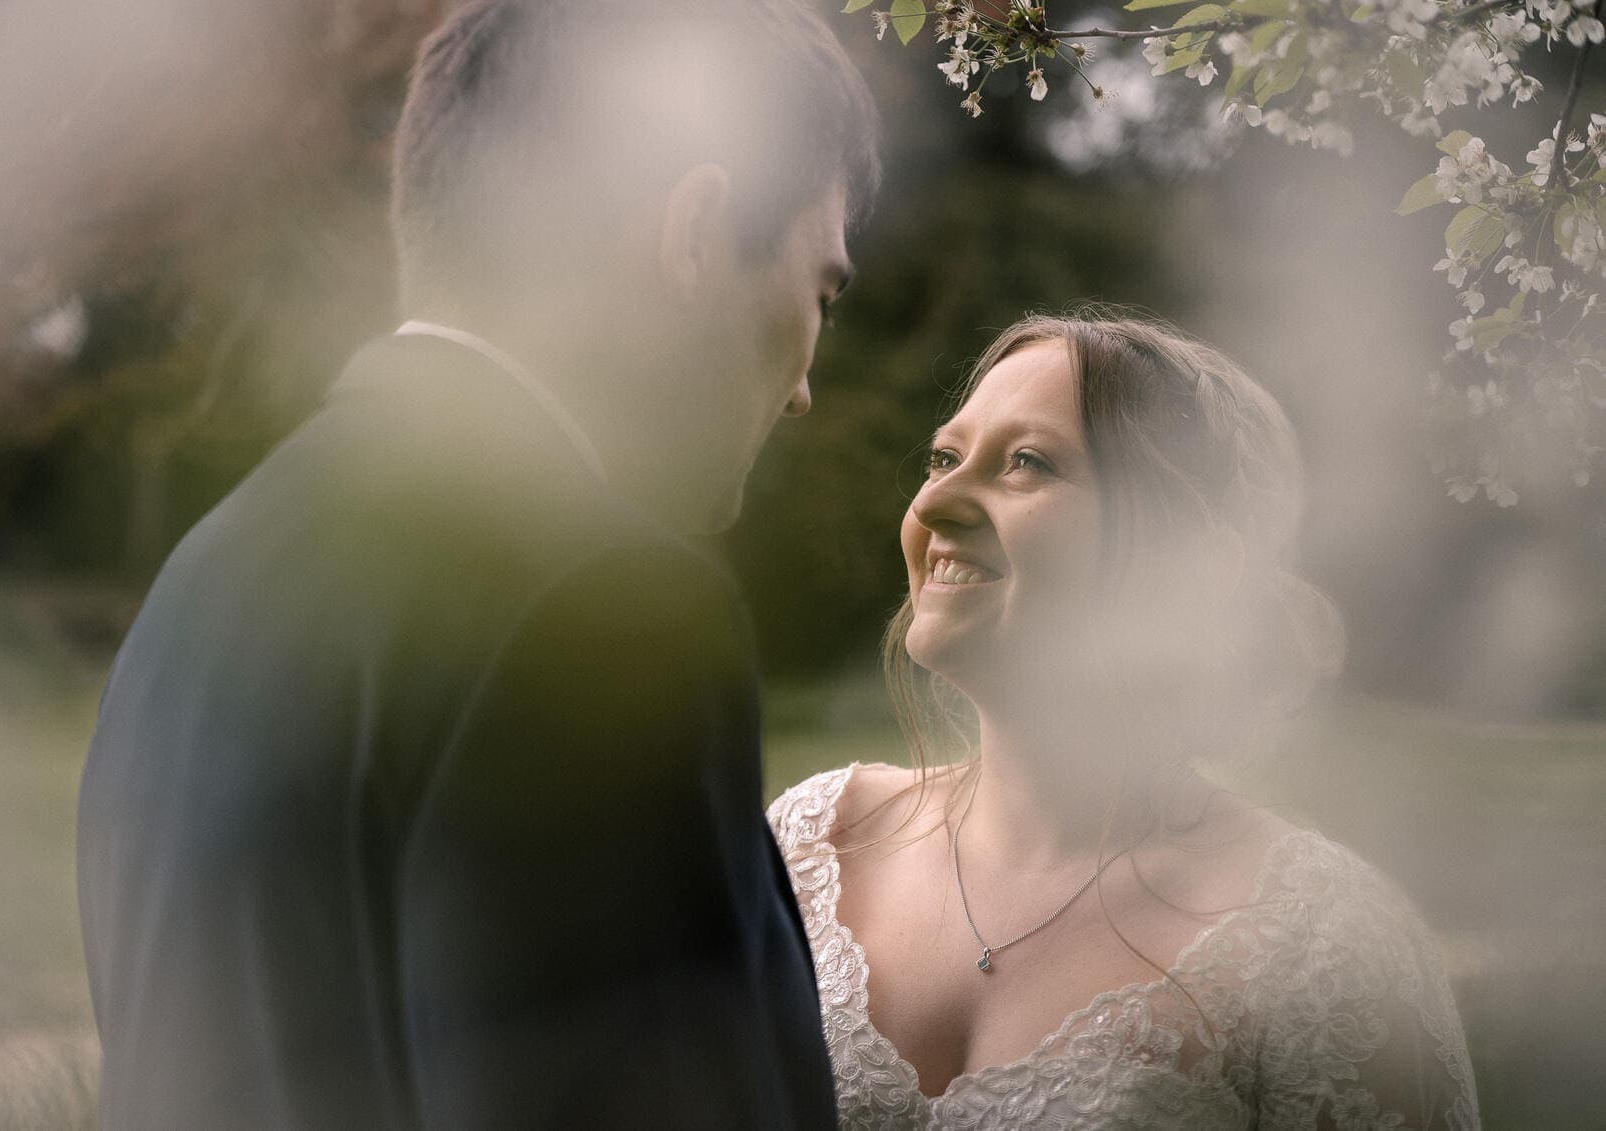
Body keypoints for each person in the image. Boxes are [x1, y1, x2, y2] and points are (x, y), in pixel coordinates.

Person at [76, 2, 878, 1126]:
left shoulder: (204, 579)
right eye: (820, 292)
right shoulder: (604, 604)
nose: (801, 386)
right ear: (696, 235)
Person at [769, 310, 1481, 1128]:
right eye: (943, 456)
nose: (936, 501)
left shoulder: (1322, 949)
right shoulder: (809, 845)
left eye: (1026, 463)